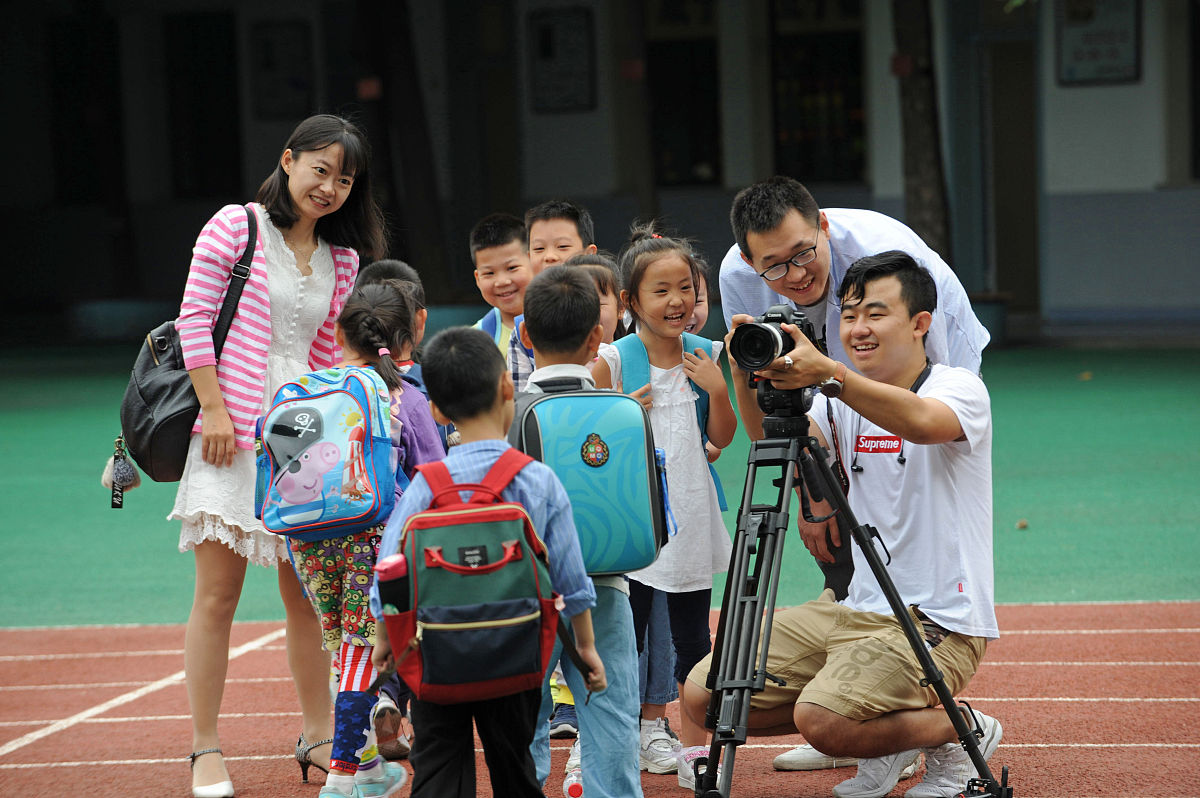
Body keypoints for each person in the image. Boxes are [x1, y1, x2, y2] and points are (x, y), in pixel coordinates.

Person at [683, 251, 1003, 798]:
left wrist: (832, 374)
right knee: (707, 695)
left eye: (876, 314)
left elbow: (925, 425)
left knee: (824, 722)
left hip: (937, 619)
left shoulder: (955, 388)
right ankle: (886, 738)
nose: (858, 328)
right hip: (856, 607)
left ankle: (959, 732)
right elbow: (772, 439)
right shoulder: (840, 401)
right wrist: (747, 373)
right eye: (850, 314)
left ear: (920, 323)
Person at [172, 113, 385, 798]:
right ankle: (205, 747)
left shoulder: (344, 259)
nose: (329, 187)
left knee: (308, 598)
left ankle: (321, 735)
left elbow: (329, 355)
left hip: (302, 440)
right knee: (218, 596)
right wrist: (213, 410)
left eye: (344, 179)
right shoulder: (235, 227)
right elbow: (193, 320)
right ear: (288, 160)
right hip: (227, 427)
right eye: (320, 169)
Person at [369, 326, 606, 798]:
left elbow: (390, 568)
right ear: (505, 388)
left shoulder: (425, 484)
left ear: (435, 409)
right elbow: (570, 578)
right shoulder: (536, 480)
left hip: (436, 656)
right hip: (514, 651)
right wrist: (585, 649)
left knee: (437, 769)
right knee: (515, 767)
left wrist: (384, 641)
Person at [592, 224, 737, 784]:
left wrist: (718, 390)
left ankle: (697, 751)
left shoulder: (706, 354)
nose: (678, 301)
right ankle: (613, 739)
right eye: (662, 290)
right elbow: (592, 447)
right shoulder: (615, 362)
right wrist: (622, 410)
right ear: (630, 302)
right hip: (634, 521)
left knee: (693, 639)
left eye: (687, 288)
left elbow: (721, 439)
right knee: (624, 635)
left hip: (691, 515)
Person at [285, 284, 422, 798]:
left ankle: (368, 770)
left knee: (342, 645)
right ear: (405, 338)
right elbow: (425, 467)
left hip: (307, 534)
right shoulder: (398, 394)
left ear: (338, 334)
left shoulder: (305, 387)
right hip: (371, 533)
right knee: (365, 647)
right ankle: (342, 775)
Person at [516, 266, 645, 797]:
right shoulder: (625, 411)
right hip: (606, 583)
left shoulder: (508, 411)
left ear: (524, 335)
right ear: (598, 338)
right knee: (612, 713)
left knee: (523, 717)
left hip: (523, 593)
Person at [355, 261, 444, 761]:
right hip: (405, 538)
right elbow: (433, 470)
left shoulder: (333, 385)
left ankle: (357, 756)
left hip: (333, 539)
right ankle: (399, 700)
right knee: (414, 627)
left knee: (355, 642)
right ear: (419, 323)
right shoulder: (416, 392)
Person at [509, 200, 599, 393]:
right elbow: (520, 404)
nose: (549, 256)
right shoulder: (521, 329)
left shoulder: (617, 315)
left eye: (563, 246)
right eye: (539, 249)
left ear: (589, 253)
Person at [469, 212, 533, 353]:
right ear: (477, 279)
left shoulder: (569, 321)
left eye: (512, 268)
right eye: (489, 273)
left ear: (534, 262)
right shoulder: (473, 343)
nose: (502, 282)